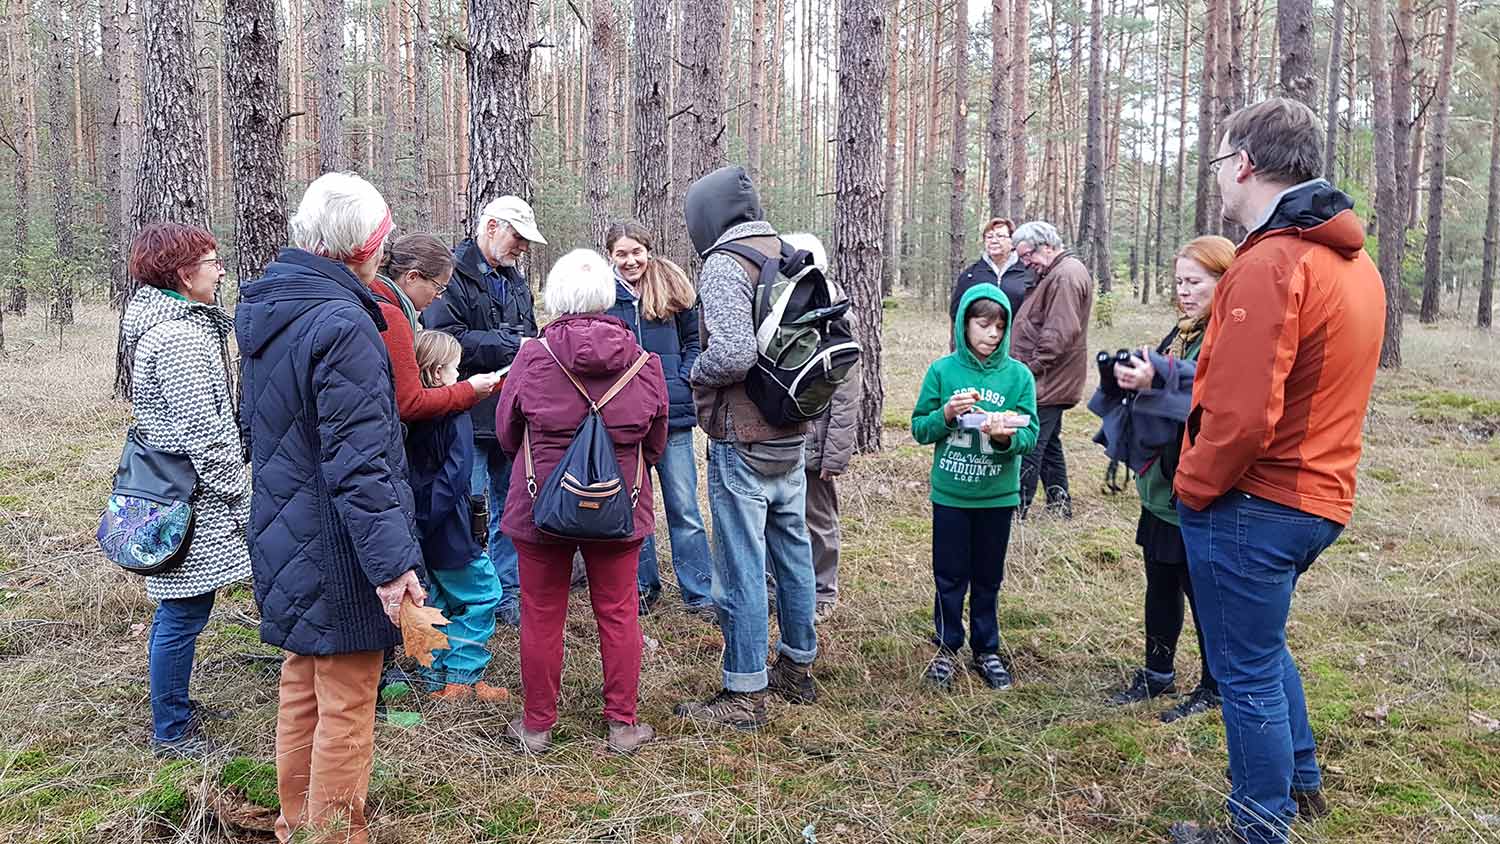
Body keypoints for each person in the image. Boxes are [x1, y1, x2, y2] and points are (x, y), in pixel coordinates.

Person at [1167, 98, 1386, 844]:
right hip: (1319, 497)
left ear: (1245, 163)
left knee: (1245, 670)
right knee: (1262, 645)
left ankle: (1259, 825)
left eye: (1221, 160)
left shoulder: (1270, 263)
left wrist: (1191, 488)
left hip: (1259, 501)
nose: (1220, 175)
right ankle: (1302, 779)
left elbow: (1241, 413)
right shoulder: (1352, 262)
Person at [236, 172, 428, 844]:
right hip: (340, 543)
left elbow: (260, 425)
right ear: (365, 247)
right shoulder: (345, 322)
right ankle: (333, 834)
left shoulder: (271, 305)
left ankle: (296, 824)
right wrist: (392, 567)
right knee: (345, 700)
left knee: (302, 683)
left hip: (285, 532)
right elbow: (362, 462)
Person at [495, 249, 669, 755]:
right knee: (619, 613)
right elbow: (655, 444)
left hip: (538, 505)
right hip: (621, 505)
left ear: (557, 297)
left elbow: (508, 433)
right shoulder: (644, 363)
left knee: (540, 612)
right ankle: (621, 726)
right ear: (608, 296)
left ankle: (536, 727)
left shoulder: (532, 357)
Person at [673, 165, 820, 730]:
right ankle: (797, 664)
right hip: (791, 430)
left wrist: (695, 371)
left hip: (744, 438)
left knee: (741, 564)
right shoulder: (787, 253)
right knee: (793, 552)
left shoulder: (723, 264)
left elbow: (732, 354)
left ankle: (743, 690)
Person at [120, 223, 250, 759]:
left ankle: (176, 707)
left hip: (183, 491)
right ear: (183, 275)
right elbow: (206, 436)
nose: (221, 271)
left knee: (184, 612)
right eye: (212, 262)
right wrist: (243, 498)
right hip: (187, 499)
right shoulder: (176, 340)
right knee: (180, 613)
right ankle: (171, 731)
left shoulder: (175, 326)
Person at [1091, 235, 1233, 724]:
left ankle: (1216, 686)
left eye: (1195, 281)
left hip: (1200, 489)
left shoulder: (1230, 334)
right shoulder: (1184, 330)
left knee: (1204, 594)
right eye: (1179, 281)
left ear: (1225, 280)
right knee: (1160, 581)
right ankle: (1157, 672)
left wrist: (1164, 376)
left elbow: (1213, 389)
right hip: (1161, 487)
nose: (1184, 291)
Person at [423, 196, 546, 627]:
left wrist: (520, 345)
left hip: (512, 413)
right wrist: (510, 344)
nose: (522, 248)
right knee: (466, 509)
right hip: (467, 416)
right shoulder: (451, 273)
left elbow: (529, 332)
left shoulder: (515, 280)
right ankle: (466, 596)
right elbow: (445, 338)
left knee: (512, 507)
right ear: (492, 227)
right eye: (517, 237)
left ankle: (506, 592)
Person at [910, 283, 1039, 691]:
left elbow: (1031, 433)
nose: (992, 334)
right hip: (950, 495)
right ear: (965, 324)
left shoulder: (1018, 376)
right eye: (984, 325)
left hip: (997, 497)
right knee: (949, 575)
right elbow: (919, 427)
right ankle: (947, 647)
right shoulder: (943, 372)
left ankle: (987, 649)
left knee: (988, 576)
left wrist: (1005, 436)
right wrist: (947, 413)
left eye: (1000, 326)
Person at [602, 220, 715, 617]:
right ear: (610, 256)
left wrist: (682, 380)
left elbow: (695, 342)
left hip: (673, 417)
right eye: (622, 253)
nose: (630, 260)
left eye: (636, 252)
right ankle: (641, 589)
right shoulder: (603, 294)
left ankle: (700, 591)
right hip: (624, 420)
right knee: (634, 506)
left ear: (648, 251)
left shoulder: (672, 287)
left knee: (684, 506)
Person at [404, 329, 507, 703]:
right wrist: (434, 519)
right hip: (449, 528)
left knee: (439, 601)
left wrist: (418, 524)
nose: (460, 377)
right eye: (455, 369)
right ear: (435, 373)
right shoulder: (455, 415)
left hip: (417, 527)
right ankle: (461, 677)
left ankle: (436, 681)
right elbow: (456, 474)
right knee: (482, 594)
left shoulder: (407, 414)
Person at [781, 232, 860, 623]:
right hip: (787, 437)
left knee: (820, 519)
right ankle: (787, 586)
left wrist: (835, 453)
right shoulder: (780, 304)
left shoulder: (836, 310)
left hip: (819, 440)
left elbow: (846, 392)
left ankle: (823, 592)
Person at [1009, 220, 1094, 519]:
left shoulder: (1066, 276)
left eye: (1027, 255)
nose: (1025, 263)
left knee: (1030, 444)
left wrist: (1030, 369)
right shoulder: (1055, 272)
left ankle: (1015, 512)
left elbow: (1060, 332)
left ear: (1046, 247)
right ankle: (1060, 508)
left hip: (1047, 380)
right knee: (1050, 445)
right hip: (1050, 378)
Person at [370, 234, 505, 423]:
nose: (439, 296)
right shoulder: (391, 317)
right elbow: (409, 403)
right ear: (412, 277)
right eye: (438, 287)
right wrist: (469, 390)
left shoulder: (372, 298)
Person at [949, 217, 1034, 333]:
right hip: (981, 346)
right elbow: (957, 314)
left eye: (1000, 236)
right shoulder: (970, 275)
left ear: (1013, 242)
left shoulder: (1029, 274)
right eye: (989, 237)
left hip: (1018, 345)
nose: (994, 241)